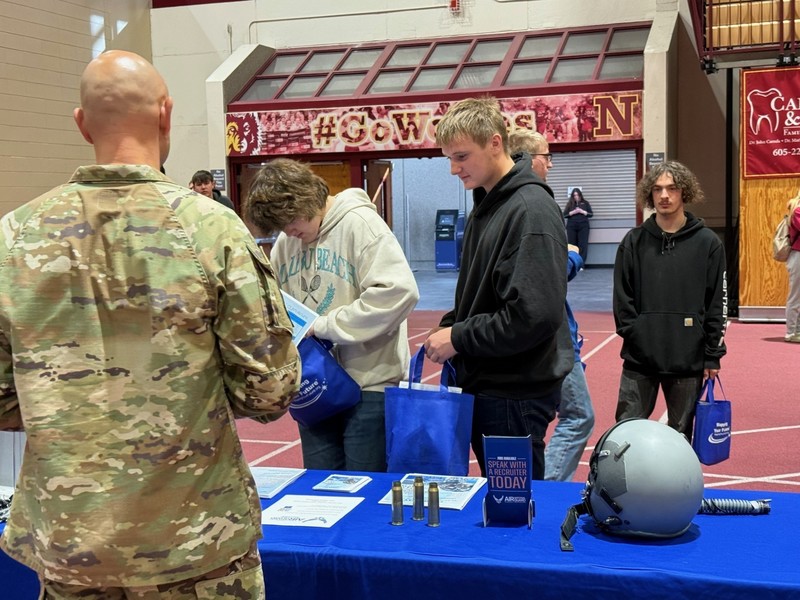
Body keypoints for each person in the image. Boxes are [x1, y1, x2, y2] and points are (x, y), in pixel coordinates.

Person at [0, 50, 300, 599]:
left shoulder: (13, 237)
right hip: (195, 543)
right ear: (166, 114)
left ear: (81, 122)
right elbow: (269, 389)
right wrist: (182, 398)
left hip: (71, 545)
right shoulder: (212, 230)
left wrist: (71, 406)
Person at [424, 98, 573, 480]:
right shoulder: (487, 205)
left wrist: (458, 336)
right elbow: (479, 291)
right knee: (500, 506)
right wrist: (450, 324)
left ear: (494, 143)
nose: (454, 169)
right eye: (448, 159)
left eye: (461, 157)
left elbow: (531, 317)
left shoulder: (530, 210)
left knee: (516, 515)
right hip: (491, 386)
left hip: (514, 395)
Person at [243, 158, 419, 472]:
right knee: (319, 490)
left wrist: (324, 326)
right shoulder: (287, 243)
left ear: (305, 199)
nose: (289, 231)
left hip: (368, 385)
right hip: (313, 386)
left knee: (364, 488)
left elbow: (398, 292)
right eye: (282, 226)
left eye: (291, 219)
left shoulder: (360, 225)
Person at [613, 160, 727, 440]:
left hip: (688, 359)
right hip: (639, 358)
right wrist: (637, 333)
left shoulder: (708, 243)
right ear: (649, 195)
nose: (664, 195)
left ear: (684, 193)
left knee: (681, 438)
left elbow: (717, 302)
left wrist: (712, 354)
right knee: (625, 435)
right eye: (657, 189)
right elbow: (622, 298)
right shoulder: (633, 241)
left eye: (672, 189)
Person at [508, 128, 595, 482]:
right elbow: (547, 277)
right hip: (551, 338)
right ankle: (547, 489)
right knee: (577, 415)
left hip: (539, 339)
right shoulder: (537, 205)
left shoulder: (505, 205)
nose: (551, 164)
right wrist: (572, 258)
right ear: (531, 160)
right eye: (547, 156)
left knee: (534, 423)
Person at [785, 194, 800, 343]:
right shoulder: (797, 211)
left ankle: (798, 330)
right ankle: (790, 332)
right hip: (798, 256)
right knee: (795, 296)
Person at [563, 187, 593, 262]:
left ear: (580, 195)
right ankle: (573, 262)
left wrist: (582, 211)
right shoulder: (570, 204)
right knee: (572, 245)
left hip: (583, 226)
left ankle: (581, 264)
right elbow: (564, 215)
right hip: (571, 226)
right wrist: (572, 213)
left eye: (577, 195)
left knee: (582, 244)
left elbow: (591, 214)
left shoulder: (585, 203)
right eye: (574, 195)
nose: (576, 197)